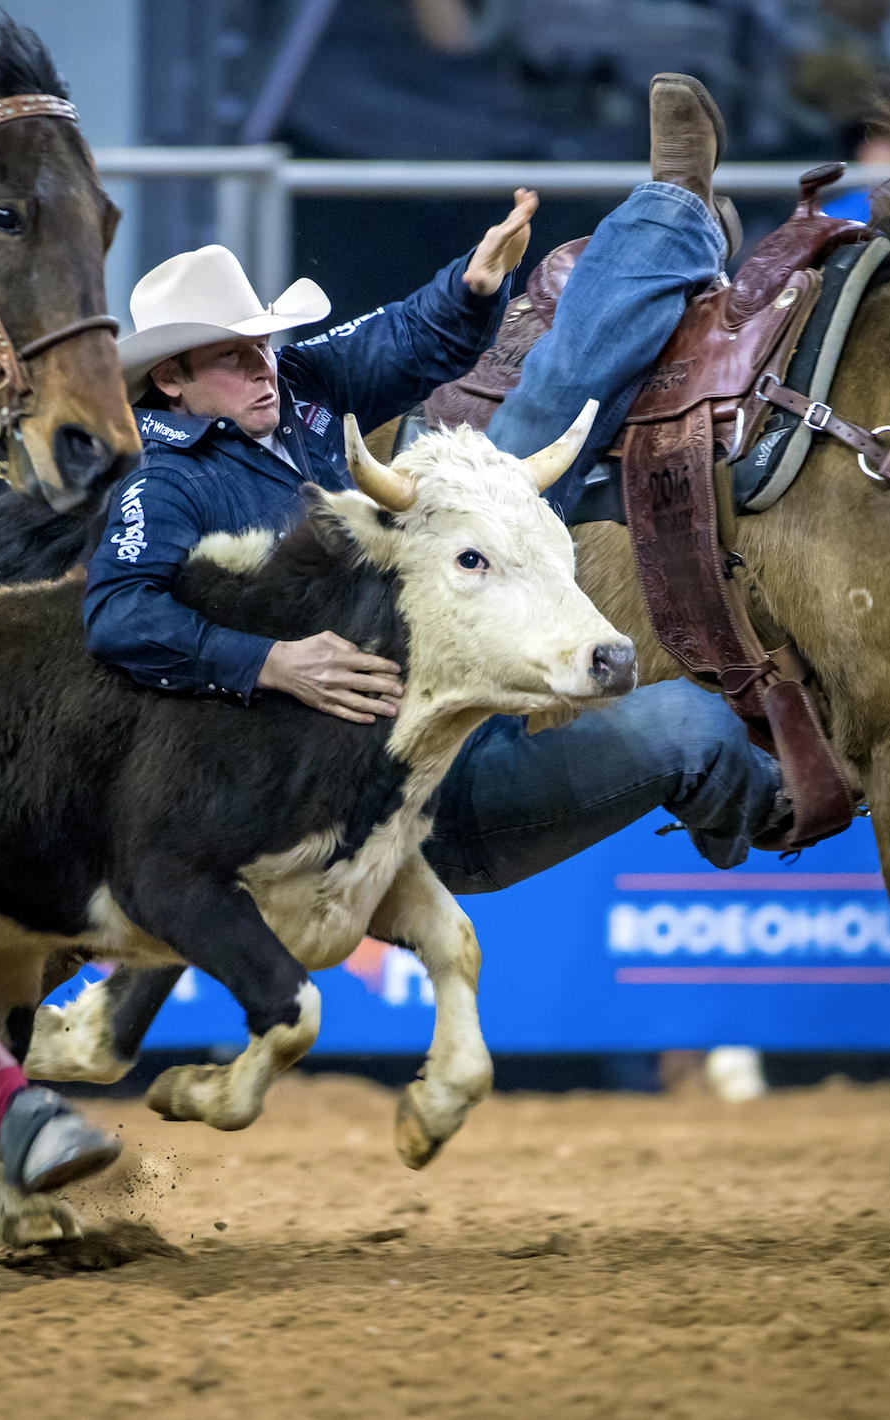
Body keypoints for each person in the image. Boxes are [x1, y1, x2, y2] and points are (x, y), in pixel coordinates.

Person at [84, 73, 786, 902]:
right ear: (170, 378)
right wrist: (269, 660)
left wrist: (472, 286)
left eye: (265, 343)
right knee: (693, 726)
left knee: (552, 403)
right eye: (234, 356)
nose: (263, 366)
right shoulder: (163, 481)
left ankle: (673, 212)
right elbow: (119, 615)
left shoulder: (297, 380)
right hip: (397, 797)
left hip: (453, 622)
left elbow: (398, 338)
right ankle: (776, 805)